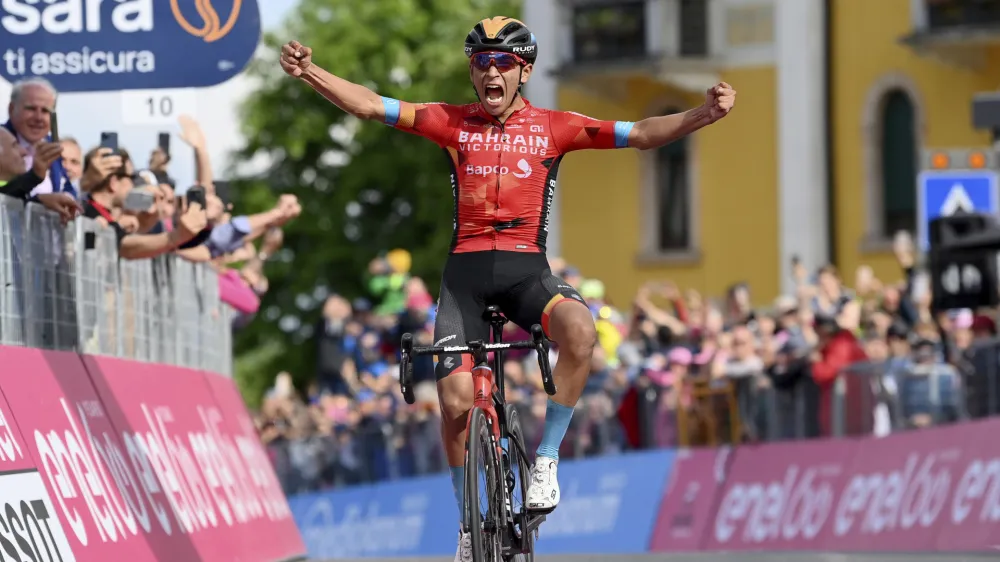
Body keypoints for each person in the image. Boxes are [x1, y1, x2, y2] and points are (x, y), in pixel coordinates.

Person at [280, 16, 736, 560]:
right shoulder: (451, 122)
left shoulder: (554, 126)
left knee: (580, 330)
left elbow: (638, 134)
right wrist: (311, 73)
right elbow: (373, 105)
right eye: (480, 62)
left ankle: (545, 459)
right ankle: (468, 523)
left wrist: (702, 115)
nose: (490, 72)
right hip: (465, 279)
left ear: (525, 70)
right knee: (452, 404)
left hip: (527, 273)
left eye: (502, 63)